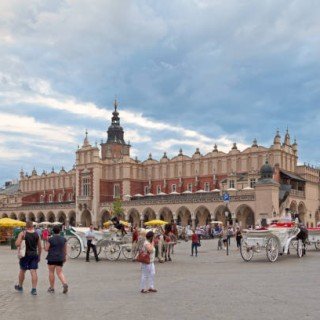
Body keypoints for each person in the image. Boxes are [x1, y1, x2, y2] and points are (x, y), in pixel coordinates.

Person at [15, 221, 42, 295]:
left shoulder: (23, 233)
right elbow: (40, 247)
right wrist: (39, 256)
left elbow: (17, 244)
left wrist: (19, 239)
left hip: (25, 255)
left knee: (22, 270)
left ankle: (20, 286)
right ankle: (34, 289)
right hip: (34, 254)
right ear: (32, 226)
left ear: (26, 226)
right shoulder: (37, 234)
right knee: (33, 271)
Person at [45, 225, 68, 293]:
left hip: (51, 258)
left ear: (53, 231)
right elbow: (65, 250)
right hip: (60, 258)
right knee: (60, 272)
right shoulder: (64, 239)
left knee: (51, 272)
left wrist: (46, 244)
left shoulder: (50, 239)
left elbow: (46, 249)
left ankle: (52, 288)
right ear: (60, 231)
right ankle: (64, 283)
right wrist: (64, 257)